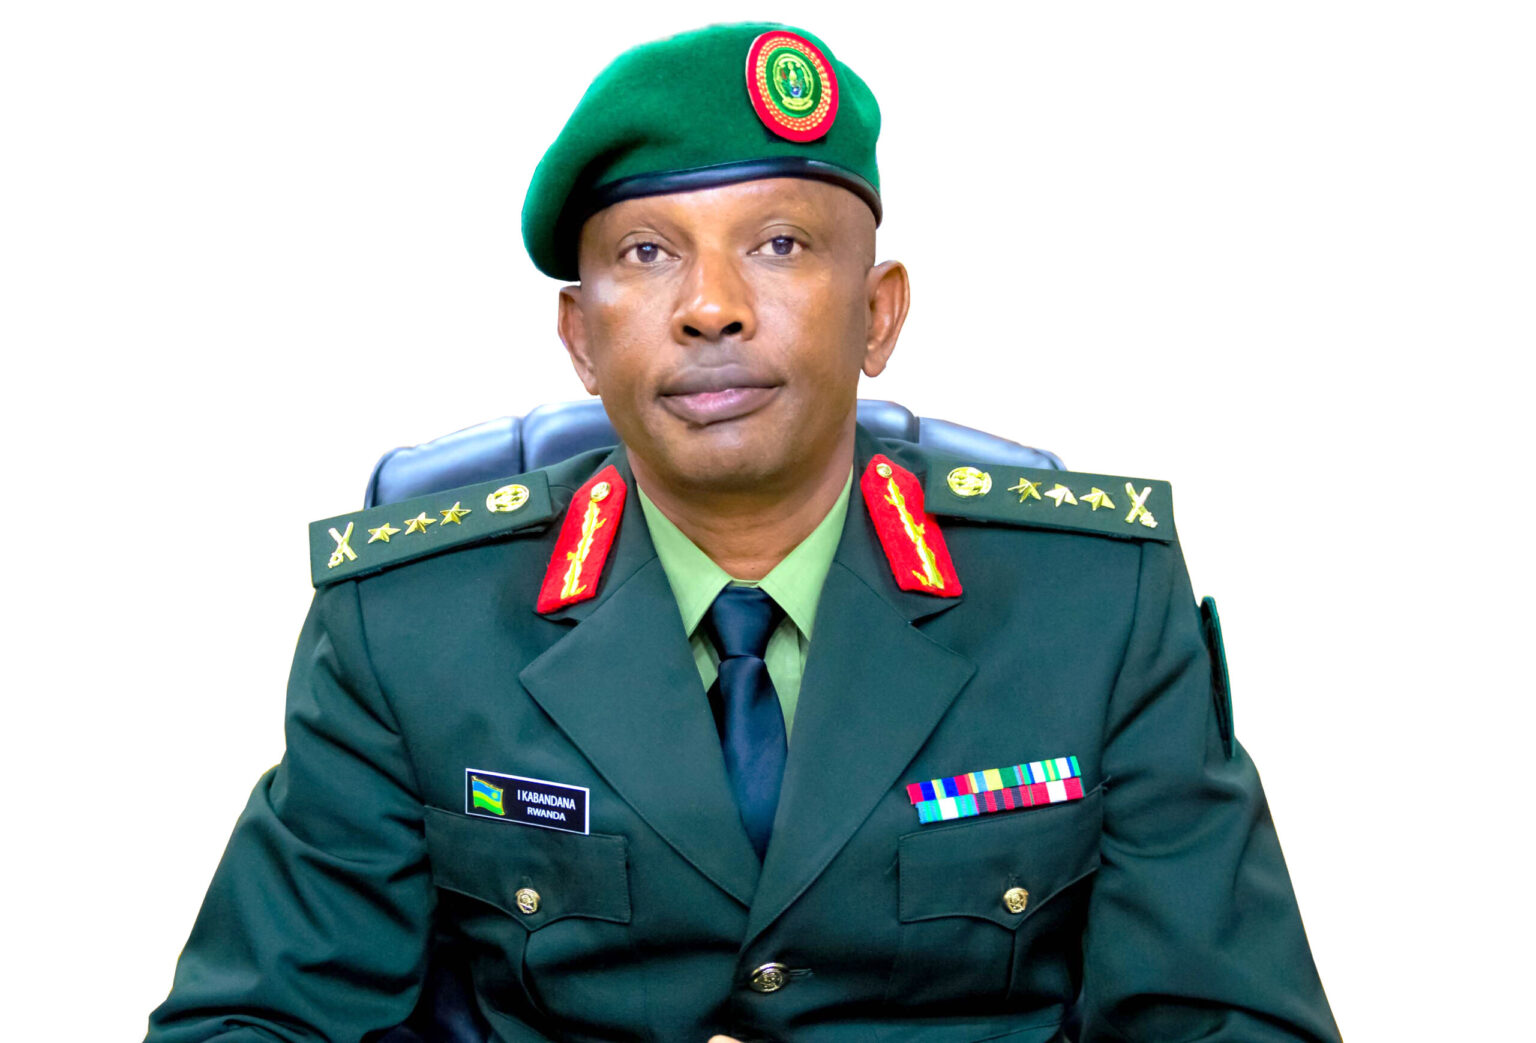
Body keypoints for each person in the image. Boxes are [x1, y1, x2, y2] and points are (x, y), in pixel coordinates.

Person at [146, 22, 1339, 1042]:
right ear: (580, 337)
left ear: (878, 315)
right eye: (647, 252)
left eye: (779, 245)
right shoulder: (409, 622)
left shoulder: (1096, 607)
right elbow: (256, 1018)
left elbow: (1227, 1017)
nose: (711, 306)